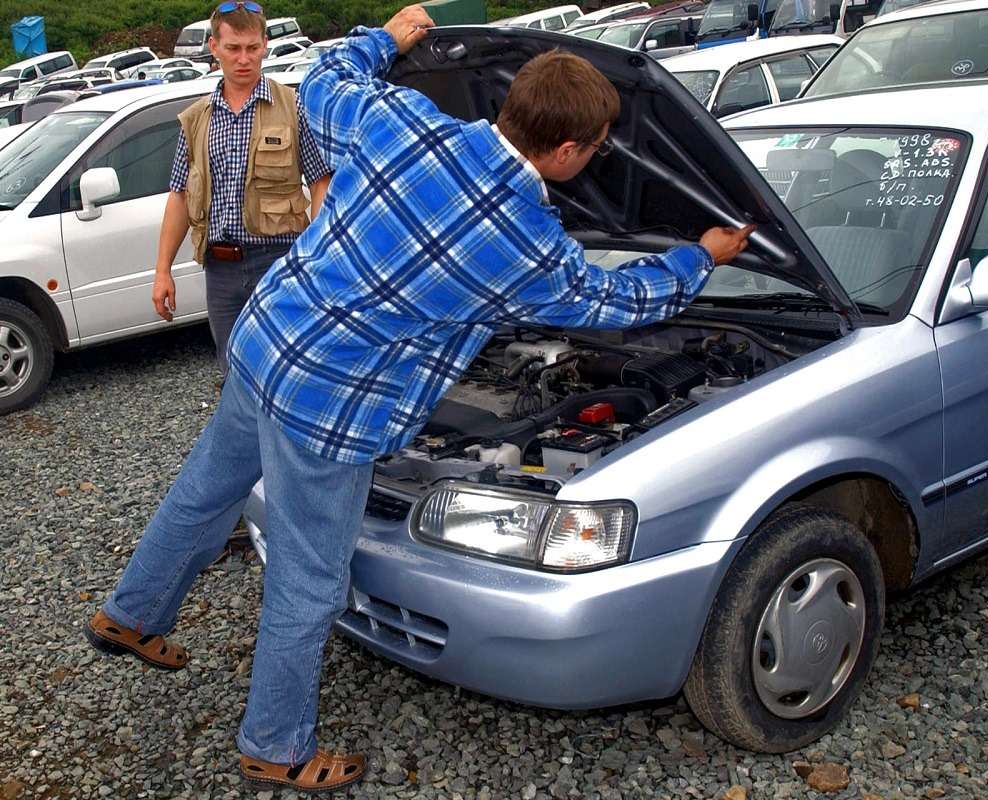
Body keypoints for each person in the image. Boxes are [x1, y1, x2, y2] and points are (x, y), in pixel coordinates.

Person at [85, 4, 753, 794]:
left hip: (265, 346)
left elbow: (329, 75)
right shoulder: (530, 245)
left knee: (204, 492)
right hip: (327, 413)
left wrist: (388, 40)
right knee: (308, 579)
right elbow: (619, 301)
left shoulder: (404, 121)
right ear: (569, 151)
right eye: (598, 148)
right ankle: (275, 745)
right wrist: (697, 256)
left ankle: (130, 614)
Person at [151, 0, 332, 376]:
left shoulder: (293, 106)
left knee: (286, 373)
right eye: (233, 48)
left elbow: (320, 183)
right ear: (214, 48)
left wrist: (317, 257)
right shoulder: (197, 119)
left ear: (265, 44)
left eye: (252, 48)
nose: (244, 59)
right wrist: (162, 271)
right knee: (234, 376)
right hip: (221, 270)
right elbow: (180, 195)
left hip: (280, 262)